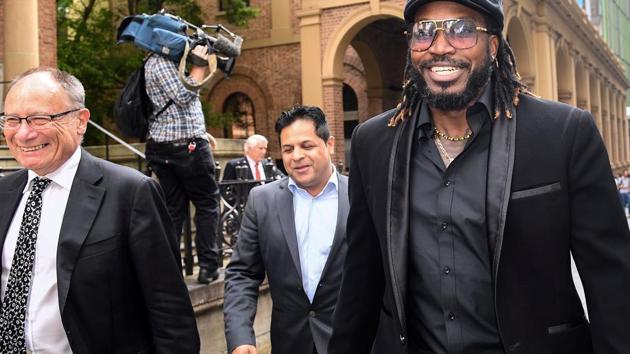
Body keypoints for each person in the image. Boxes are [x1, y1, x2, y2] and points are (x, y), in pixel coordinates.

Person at [328, 0, 630, 353]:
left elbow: (612, 286)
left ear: (493, 45)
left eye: (462, 29)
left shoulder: (563, 134)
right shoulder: (374, 142)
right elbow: (361, 280)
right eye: (423, 32)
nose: (440, 47)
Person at [0, 67, 199, 353]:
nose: (23, 133)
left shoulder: (130, 193)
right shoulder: (4, 194)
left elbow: (169, 309)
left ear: (80, 121)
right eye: (12, 120)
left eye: (39, 118)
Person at [223, 106, 349, 354]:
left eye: (307, 146)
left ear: (330, 144)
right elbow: (242, 274)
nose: (297, 156)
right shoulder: (262, 201)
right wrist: (240, 336)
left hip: (352, 341)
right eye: (288, 149)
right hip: (289, 343)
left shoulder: (362, 195)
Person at [144, 46, 220, 284]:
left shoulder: (151, 62)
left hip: (166, 145)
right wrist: (198, 65)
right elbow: (184, 95)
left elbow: (172, 108)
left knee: (173, 210)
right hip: (185, 148)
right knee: (207, 204)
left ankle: (170, 272)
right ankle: (208, 267)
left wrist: (201, 132)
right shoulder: (161, 62)